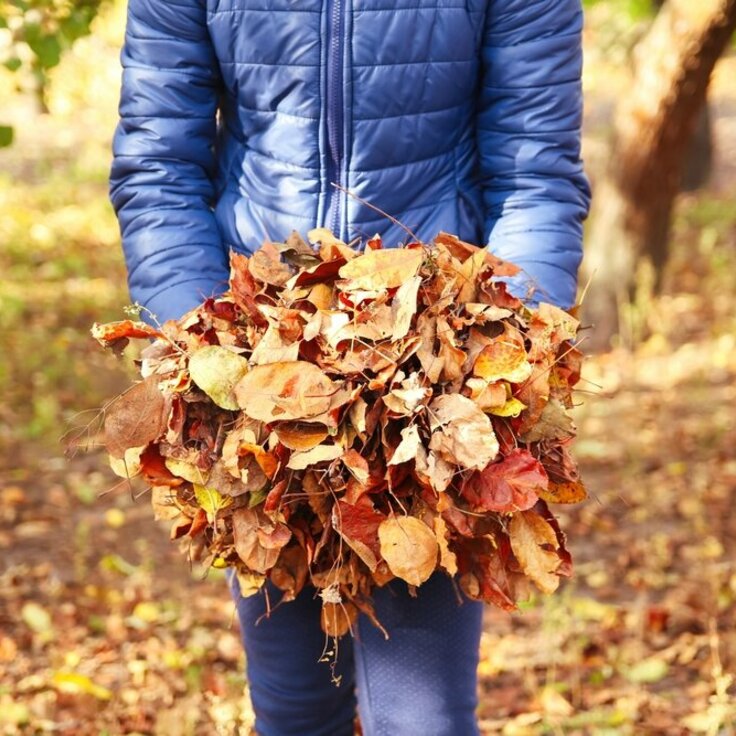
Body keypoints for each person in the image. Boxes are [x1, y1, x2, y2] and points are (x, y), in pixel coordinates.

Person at [109, 0, 591, 733]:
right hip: (256, 377)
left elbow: (535, 173)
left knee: (420, 716)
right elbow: (159, 167)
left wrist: (501, 352)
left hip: (432, 388)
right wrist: (204, 345)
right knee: (296, 709)